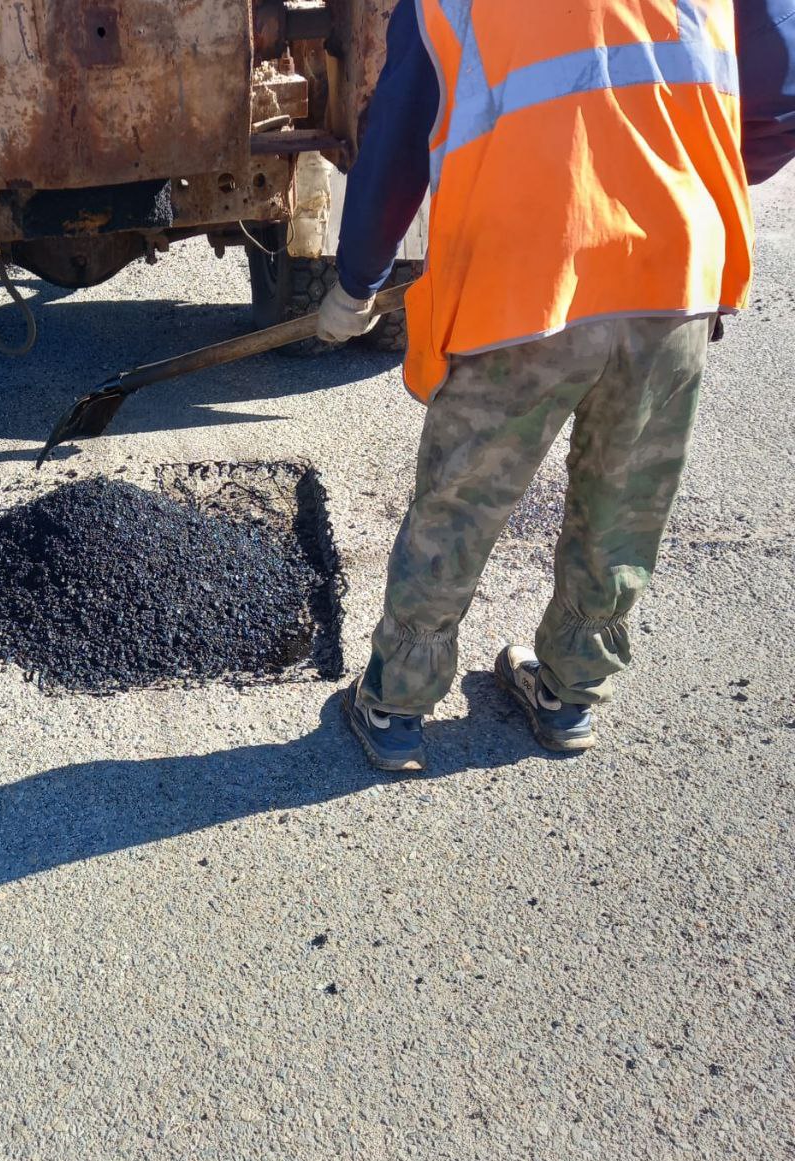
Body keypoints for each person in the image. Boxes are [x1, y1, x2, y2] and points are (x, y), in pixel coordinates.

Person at [319, 0, 795, 772]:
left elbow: (403, 136)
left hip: (528, 270)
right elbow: (780, 101)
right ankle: (571, 695)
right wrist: (677, 186)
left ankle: (395, 705)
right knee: (627, 498)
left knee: (463, 498)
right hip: (675, 268)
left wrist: (356, 283)